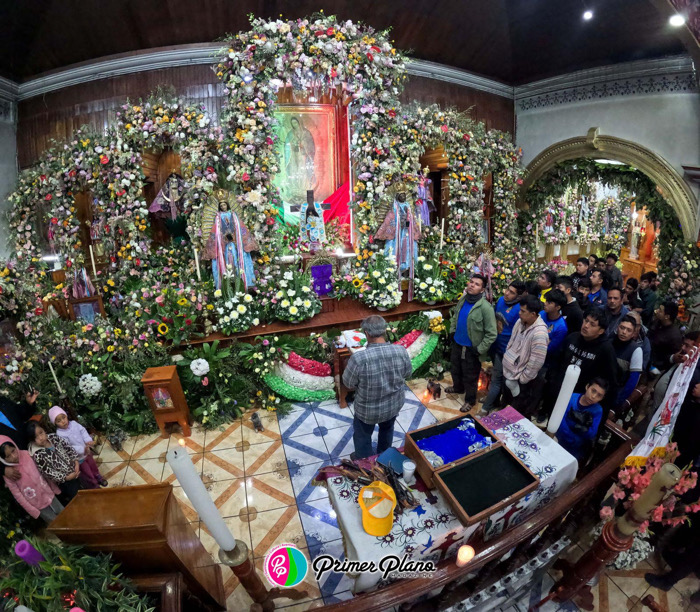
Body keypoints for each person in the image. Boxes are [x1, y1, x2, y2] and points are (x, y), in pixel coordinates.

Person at [343, 316, 412, 460]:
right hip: (393, 405)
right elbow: (407, 373)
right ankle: (384, 457)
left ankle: (364, 463)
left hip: (368, 410)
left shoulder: (359, 358)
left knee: (363, 435)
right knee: (387, 429)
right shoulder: (400, 350)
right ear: (384, 331)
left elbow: (348, 383)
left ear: (367, 334)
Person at [536, 308, 619, 425]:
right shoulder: (572, 337)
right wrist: (553, 381)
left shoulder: (606, 350)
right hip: (558, 391)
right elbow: (557, 360)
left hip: (579, 400)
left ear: (601, 331)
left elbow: (610, 381)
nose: (586, 325)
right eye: (586, 320)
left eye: (592, 324)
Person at [448, 274, 498, 413]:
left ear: (482, 290)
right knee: (455, 369)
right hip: (458, 343)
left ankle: (470, 400)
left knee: (470, 376)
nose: (471, 285)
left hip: (472, 349)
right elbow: (455, 317)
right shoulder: (463, 299)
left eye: (476, 284)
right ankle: (458, 387)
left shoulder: (485, 308)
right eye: (471, 282)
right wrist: (452, 331)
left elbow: (491, 333)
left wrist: (480, 349)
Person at [481, 280, 526, 414]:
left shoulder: (520, 309)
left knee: (497, 379)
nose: (506, 293)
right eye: (507, 289)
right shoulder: (500, 300)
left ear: (518, 296)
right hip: (496, 344)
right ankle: (494, 400)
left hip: (507, 351)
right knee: (497, 377)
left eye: (512, 292)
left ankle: (486, 408)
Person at [500, 295, 549, 415]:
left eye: (523, 311)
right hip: (509, 373)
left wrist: (523, 379)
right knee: (505, 405)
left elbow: (536, 363)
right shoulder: (520, 322)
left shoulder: (540, 333)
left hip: (521, 381)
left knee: (515, 412)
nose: (519, 313)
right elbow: (511, 343)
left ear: (533, 314)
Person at [0, 436, 64, 523]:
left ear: (15, 445)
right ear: (3, 459)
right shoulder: (9, 475)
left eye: (13, 450)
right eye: (8, 456)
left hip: (50, 494)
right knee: (55, 524)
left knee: (64, 514)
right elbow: (18, 495)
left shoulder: (27, 454)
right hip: (38, 505)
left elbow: (43, 472)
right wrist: (33, 511)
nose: (14, 456)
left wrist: (54, 488)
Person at [49, 407, 107, 489]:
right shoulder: (60, 434)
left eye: (63, 417)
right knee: (87, 473)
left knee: (93, 465)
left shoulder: (73, 423)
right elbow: (68, 447)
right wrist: (82, 449)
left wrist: (87, 440)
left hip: (87, 453)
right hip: (79, 459)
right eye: (59, 421)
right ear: (55, 423)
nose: (63, 421)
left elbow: (82, 431)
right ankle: (94, 485)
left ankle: (98, 477)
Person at [26, 422, 82, 504]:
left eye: (41, 433)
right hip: (65, 482)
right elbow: (49, 472)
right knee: (77, 498)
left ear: (44, 430)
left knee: (84, 490)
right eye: (36, 437)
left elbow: (68, 448)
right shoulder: (38, 455)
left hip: (74, 470)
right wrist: (66, 478)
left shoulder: (54, 437)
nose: (40, 438)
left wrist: (76, 462)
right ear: (32, 440)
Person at [555, 378, 607, 461]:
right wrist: (575, 428)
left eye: (599, 396)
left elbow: (592, 433)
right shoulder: (572, 397)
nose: (593, 396)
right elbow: (561, 419)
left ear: (602, 398)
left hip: (575, 447)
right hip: (559, 438)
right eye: (593, 391)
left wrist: (581, 428)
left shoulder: (598, 410)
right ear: (587, 387)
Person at [652, 331, 700, 411]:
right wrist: (673, 358)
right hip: (656, 405)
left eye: (687, 346)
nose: (683, 348)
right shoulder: (680, 356)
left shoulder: (695, 371)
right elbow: (660, 362)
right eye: (683, 344)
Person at [0, 390, 40, 480]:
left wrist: (28, 404)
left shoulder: (2, 401)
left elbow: (20, 413)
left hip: (32, 448)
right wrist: (2, 469)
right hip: (16, 463)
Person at [613, 315, 644, 408]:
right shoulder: (609, 343)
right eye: (622, 328)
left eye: (628, 330)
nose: (624, 332)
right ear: (617, 327)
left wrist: (618, 402)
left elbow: (632, 381)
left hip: (617, 393)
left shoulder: (636, 350)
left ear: (634, 333)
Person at [649, 301, 683, 374]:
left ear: (667, 316)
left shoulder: (674, 336)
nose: (657, 311)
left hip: (656, 368)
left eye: (660, 311)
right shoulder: (657, 322)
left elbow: (672, 357)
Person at [540, 289, 569, 365]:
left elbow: (549, 349)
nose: (545, 303)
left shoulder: (561, 328)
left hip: (544, 362)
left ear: (558, 307)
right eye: (546, 300)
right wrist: (546, 340)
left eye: (549, 303)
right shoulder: (541, 314)